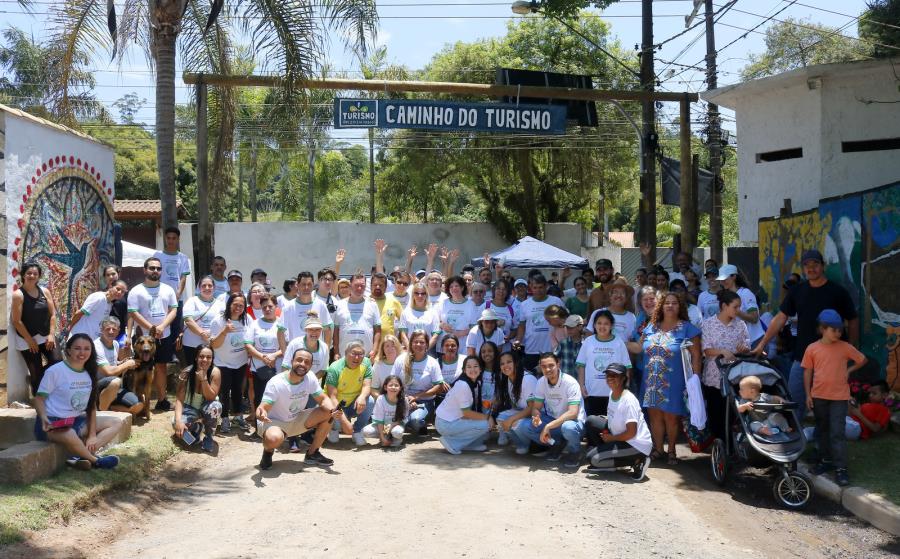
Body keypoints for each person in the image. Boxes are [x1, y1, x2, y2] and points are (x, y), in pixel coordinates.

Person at [753, 249, 858, 405]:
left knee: (827, 405)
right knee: (794, 401)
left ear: (823, 266)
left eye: (815, 264)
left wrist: (851, 349)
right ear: (802, 268)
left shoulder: (838, 292)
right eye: (806, 265)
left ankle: (823, 429)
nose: (811, 268)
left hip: (832, 358)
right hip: (803, 357)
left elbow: (853, 319)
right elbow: (780, 318)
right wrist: (762, 343)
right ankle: (796, 430)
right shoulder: (797, 291)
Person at [628, 291, 702, 465]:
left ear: (680, 306)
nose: (670, 305)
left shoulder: (688, 329)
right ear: (661, 306)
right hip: (651, 379)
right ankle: (658, 449)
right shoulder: (650, 327)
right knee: (654, 416)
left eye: (674, 303)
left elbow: (697, 357)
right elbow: (639, 347)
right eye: (667, 303)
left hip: (675, 380)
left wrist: (695, 380)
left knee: (671, 416)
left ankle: (672, 451)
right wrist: (616, 341)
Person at [33, 334, 121, 470]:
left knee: (116, 422)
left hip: (75, 421)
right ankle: (95, 461)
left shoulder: (89, 372)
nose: (82, 352)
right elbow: (39, 399)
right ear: (68, 350)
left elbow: (91, 406)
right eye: (77, 348)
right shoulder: (55, 371)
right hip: (52, 424)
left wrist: (92, 435)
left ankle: (81, 456)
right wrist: (44, 418)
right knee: (69, 433)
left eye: (87, 349)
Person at [802, 309, 867, 486]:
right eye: (834, 330)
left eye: (840, 330)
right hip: (818, 397)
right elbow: (807, 372)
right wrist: (808, 394)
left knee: (837, 432)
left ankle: (841, 468)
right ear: (823, 328)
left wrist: (849, 370)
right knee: (822, 430)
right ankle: (825, 460)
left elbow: (862, 359)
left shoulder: (845, 347)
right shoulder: (812, 348)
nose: (838, 333)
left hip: (839, 398)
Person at [256, 348, 341, 469]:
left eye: (307, 362)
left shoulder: (310, 377)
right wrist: (261, 412)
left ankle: (312, 453)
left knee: (328, 413)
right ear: (291, 361)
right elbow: (263, 407)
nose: (302, 364)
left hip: (296, 419)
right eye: (299, 360)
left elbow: (323, 399)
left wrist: (333, 410)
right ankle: (268, 451)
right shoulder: (276, 382)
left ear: (311, 365)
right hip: (274, 422)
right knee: (273, 439)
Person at [513, 353, 585, 468]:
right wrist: (536, 417)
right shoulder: (541, 382)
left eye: (551, 365)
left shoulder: (570, 382)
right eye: (544, 366)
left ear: (558, 365)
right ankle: (556, 444)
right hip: (553, 421)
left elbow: (573, 413)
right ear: (540, 367)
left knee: (568, 427)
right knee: (523, 426)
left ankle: (575, 452)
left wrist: (548, 426)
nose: (547, 369)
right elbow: (536, 408)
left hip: (574, 422)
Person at [584, 363, 652, 480]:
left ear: (623, 378)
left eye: (615, 375)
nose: (610, 378)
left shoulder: (628, 401)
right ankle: (609, 457)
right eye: (608, 375)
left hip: (635, 444)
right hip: (620, 435)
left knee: (593, 459)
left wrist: (611, 438)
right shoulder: (612, 393)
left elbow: (631, 433)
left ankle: (638, 460)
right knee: (591, 421)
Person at [127, 257, 179, 412]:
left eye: (158, 268)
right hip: (143, 339)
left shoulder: (168, 289)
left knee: (161, 367)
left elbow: (174, 310)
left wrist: (162, 326)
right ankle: (136, 403)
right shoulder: (136, 290)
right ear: (144, 270)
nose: (155, 271)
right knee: (137, 370)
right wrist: (151, 328)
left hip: (163, 336)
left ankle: (162, 400)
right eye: (152, 268)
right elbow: (133, 313)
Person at [700, 290, 751, 440]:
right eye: (735, 307)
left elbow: (747, 344)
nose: (738, 311)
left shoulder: (740, 324)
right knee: (716, 413)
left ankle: (732, 446)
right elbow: (706, 349)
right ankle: (719, 447)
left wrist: (744, 348)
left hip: (735, 376)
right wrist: (722, 351)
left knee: (733, 414)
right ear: (724, 306)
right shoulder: (709, 324)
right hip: (714, 377)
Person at [11, 262, 59, 397]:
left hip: (45, 336)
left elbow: (53, 314)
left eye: (35, 274)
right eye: (29, 273)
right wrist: (29, 340)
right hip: (26, 339)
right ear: (23, 275)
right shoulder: (18, 295)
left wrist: (51, 334)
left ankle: (40, 382)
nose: (32, 276)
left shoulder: (45, 291)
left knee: (57, 362)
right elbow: (17, 321)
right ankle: (39, 402)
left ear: (39, 276)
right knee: (36, 372)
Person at [209, 292, 251, 434]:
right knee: (224, 391)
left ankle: (238, 416)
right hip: (223, 363)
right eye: (235, 305)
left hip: (240, 362)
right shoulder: (219, 321)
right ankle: (225, 418)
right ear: (229, 305)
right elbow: (214, 344)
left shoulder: (247, 319)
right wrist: (225, 331)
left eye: (241, 305)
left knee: (238, 389)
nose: (238, 308)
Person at [577, 310, 632, 418]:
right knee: (593, 424)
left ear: (611, 326)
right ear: (594, 325)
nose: (602, 326)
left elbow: (627, 367)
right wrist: (581, 385)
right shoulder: (588, 341)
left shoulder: (618, 342)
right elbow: (581, 365)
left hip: (613, 393)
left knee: (612, 425)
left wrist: (625, 387)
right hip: (591, 393)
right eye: (599, 323)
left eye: (606, 323)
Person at [435, 355, 492, 454]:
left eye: (475, 366)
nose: (472, 369)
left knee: (485, 434)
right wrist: (487, 417)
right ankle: (453, 443)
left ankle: (469, 445)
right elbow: (467, 414)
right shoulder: (463, 385)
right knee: (485, 424)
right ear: (464, 370)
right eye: (469, 367)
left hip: (452, 420)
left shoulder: (475, 383)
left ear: (481, 369)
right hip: (445, 423)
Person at [391, 330, 444, 435]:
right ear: (410, 343)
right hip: (401, 400)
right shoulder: (400, 360)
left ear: (427, 345)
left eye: (422, 342)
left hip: (424, 402)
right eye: (415, 342)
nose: (418, 345)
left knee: (416, 421)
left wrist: (417, 397)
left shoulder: (432, 362)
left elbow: (439, 386)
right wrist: (405, 400)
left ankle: (415, 423)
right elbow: (392, 381)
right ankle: (407, 422)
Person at [804, 380, 892, 442]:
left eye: (874, 393)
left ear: (884, 395)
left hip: (857, 429)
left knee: (829, 427)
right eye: (870, 393)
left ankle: (804, 436)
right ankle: (803, 433)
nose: (870, 395)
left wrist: (858, 413)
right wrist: (852, 406)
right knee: (826, 423)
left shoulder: (884, 410)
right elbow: (853, 413)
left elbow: (875, 428)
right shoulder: (868, 405)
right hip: (850, 421)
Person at [324, 340, 375, 446]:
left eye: (360, 354)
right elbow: (332, 397)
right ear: (346, 353)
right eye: (353, 353)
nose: (357, 357)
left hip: (353, 403)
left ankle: (357, 431)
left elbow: (367, 385)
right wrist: (345, 422)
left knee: (369, 401)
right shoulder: (335, 368)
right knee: (338, 425)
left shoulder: (366, 362)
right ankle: (333, 429)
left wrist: (362, 397)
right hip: (336, 404)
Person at [173, 345, 223, 453]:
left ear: (212, 359)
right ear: (196, 358)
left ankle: (208, 437)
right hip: (190, 408)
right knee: (177, 425)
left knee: (216, 407)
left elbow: (211, 397)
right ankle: (196, 431)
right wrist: (178, 421)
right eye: (201, 356)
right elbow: (179, 400)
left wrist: (204, 379)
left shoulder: (215, 372)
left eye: (209, 357)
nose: (205, 360)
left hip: (207, 407)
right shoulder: (186, 372)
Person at [245, 293, 287, 419]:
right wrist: (263, 357)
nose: (267, 309)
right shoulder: (255, 324)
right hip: (259, 369)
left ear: (276, 306)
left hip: (278, 368)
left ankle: (275, 425)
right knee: (260, 397)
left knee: (276, 398)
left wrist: (274, 355)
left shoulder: (282, 324)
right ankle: (260, 428)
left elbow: (287, 346)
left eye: (270, 306)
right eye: (264, 307)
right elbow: (248, 345)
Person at [513, 274, 565, 372]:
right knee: (531, 380)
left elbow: (565, 319)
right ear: (531, 288)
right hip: (531, 350)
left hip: (552, 349)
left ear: (546, 286)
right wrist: (518, 340)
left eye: (541, 287)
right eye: (535, 287)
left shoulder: (556, 301)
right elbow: (522, 325)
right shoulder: (524, 305)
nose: (538, 290)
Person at [93, 317, 141, 415]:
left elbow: (113, 364)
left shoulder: (115, 344)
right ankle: (102, 413)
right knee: (116, 381)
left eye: (114, 329)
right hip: (96, 386)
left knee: (138, 405)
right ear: (101, 330)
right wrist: (127, 365)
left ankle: (106, 407)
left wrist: (122, 362)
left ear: (118, 330)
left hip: (112, 386)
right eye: (107, 329)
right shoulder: (96, 346)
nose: (111, 332)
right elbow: (109, 372)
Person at [153, 226, 192, 349]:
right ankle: (158, 348)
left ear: (178, 239)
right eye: (168, 238)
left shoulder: (183, 257)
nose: (171, 241)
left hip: (176, 299)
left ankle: (173, 353)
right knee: (161, 323)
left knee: (176, 326)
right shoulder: (158, 255)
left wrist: (179, 292)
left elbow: (183, 277)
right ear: (165, 239)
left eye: (174, 238)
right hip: (160, 297)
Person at [494, 351, 538, 447]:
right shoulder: (508, 379)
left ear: (516, 363)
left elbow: (532, 408)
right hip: (523, 411)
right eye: (502, 363)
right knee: (501, 417)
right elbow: (515, 405)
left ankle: (528, 444)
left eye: (509, 362)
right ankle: (520, 443)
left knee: (514, 422)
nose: (505, 365)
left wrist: (511, 419)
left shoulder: (528, 379)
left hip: (536, 415)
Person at [333, 273, 381, 359]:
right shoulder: (339, 305)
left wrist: (374, 350)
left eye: (362, 286)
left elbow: (377, 330)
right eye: (356, 285)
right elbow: (335, 331)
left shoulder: (372, 304)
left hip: (366, 357)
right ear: (350, 286)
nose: (359, 288)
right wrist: (336, 352)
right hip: (344, 357)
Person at [280, 271, 333, 347]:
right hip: (296, 354)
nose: (306, 288)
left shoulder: (321, 305)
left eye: (309, 284)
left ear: (313, 285)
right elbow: (280, 331)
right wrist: (285, 354)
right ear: (297, 285)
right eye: (303, 284)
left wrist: (326, 351)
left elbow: (327, 330)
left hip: (316, 355)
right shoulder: (288, 307)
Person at [716, 264, 763, 345]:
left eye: (725, 279)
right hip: (739, 344)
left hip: (755, 341)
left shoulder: (746, 293)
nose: (722, 282)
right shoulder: (724, 296)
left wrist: (736, 311)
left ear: (734, 276)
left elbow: (754, 318)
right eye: (720, 279)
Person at [182, 276, 221, 369]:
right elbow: (188, 320)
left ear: (214, 288)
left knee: (210, 371)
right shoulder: (192, 301)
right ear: (199, 288)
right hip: (192, 345)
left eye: (210, 286)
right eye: (204, 286)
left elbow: (222, 323)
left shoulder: (220, 304)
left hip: (211, 344)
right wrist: (202, 333)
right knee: (193, 371)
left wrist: (211, 335)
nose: (207, 288)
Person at [362, 375, 408, 447]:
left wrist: (392, 425)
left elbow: (404, 418)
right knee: (366, 431)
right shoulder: (381, 399)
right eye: (390, 385)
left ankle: (395, 438)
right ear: (385, 387)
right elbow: (379, 420)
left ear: (400, 388)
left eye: (396, 385)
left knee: (397, 433)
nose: (393, 387)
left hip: (396, 425)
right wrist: (382, 437)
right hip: (382, 426)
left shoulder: (404, 400)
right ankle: (385, 437)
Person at [435, 275, 477, 354]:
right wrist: (443, 325)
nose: (454, 288)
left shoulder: (471, 304)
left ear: (462, 287)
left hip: (463, 346)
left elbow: (474, 327)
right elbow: (436, 321)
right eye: (451, 286)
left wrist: (459, 334)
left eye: (457, 286)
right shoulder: (443, 303)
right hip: (445, 345)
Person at [399, 283, 439, 351]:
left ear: (426, 295)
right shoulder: (406, 312)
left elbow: (435, 336)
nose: (419, 296)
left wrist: (425, 350)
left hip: (427, 351)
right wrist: (410, 349)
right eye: (416, 293)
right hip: (409, 350)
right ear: (413, 295)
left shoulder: (433, 313)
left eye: (423, 293)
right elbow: (403, 335)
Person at [371, 272, 404, 340]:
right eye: (375, 285)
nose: (378, 287)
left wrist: (400, 341)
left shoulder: (394, 301)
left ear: (386, 287)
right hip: (369, 346)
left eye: (380, 285)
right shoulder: (366, 302)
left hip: (388, 347)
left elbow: (404, 323)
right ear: (371, 286)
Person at [487, 279, 516, 350]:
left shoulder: (511, 309)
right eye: (498, 288)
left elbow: (515, 329)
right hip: (488, 349)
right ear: (494, 290)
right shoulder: (486, 306)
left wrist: (509, 337)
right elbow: (477, 327)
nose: (501, 291)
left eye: (504, 289)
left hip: (505, 350)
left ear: (507, 292)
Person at [555, 314, 585, 378]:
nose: (568, 329)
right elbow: (554, 358)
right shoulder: (563, 343)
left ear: (580, 327)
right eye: (567, 327)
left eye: (571, 327)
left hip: (582, 381)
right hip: (566, 382)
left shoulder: (586, 344)